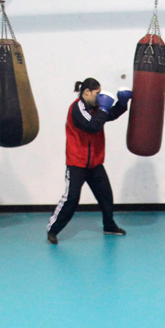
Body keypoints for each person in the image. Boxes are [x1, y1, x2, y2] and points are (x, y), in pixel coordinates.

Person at [46, 78, 130, 244]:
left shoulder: (96, 108)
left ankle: (109, 226)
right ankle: (53, 229)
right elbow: (93, 126)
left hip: (95, 163)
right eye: (97, 93)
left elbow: (109, 116)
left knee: (106, 196)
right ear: (87, 92)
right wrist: (104, 108)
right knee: (71, 198)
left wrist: (122, 103)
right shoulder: (77, 107)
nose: (99, 98)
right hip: (77, 162)